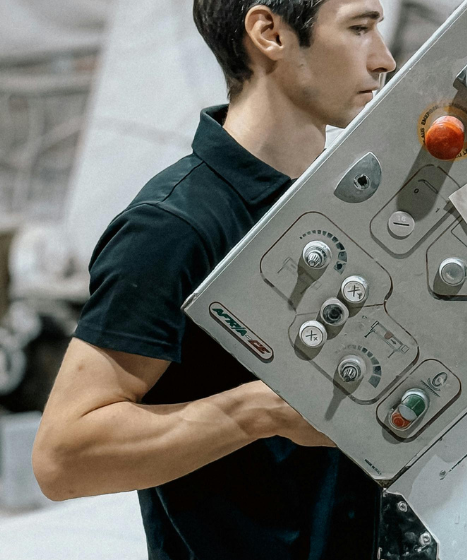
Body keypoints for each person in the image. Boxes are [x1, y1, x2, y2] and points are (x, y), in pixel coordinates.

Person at [32, 0, 396, 558]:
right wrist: (262, 411)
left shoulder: (350, 202)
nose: (384, 60)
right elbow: (64, 457)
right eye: (359, 29)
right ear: (269, 32)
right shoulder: (173, 227)